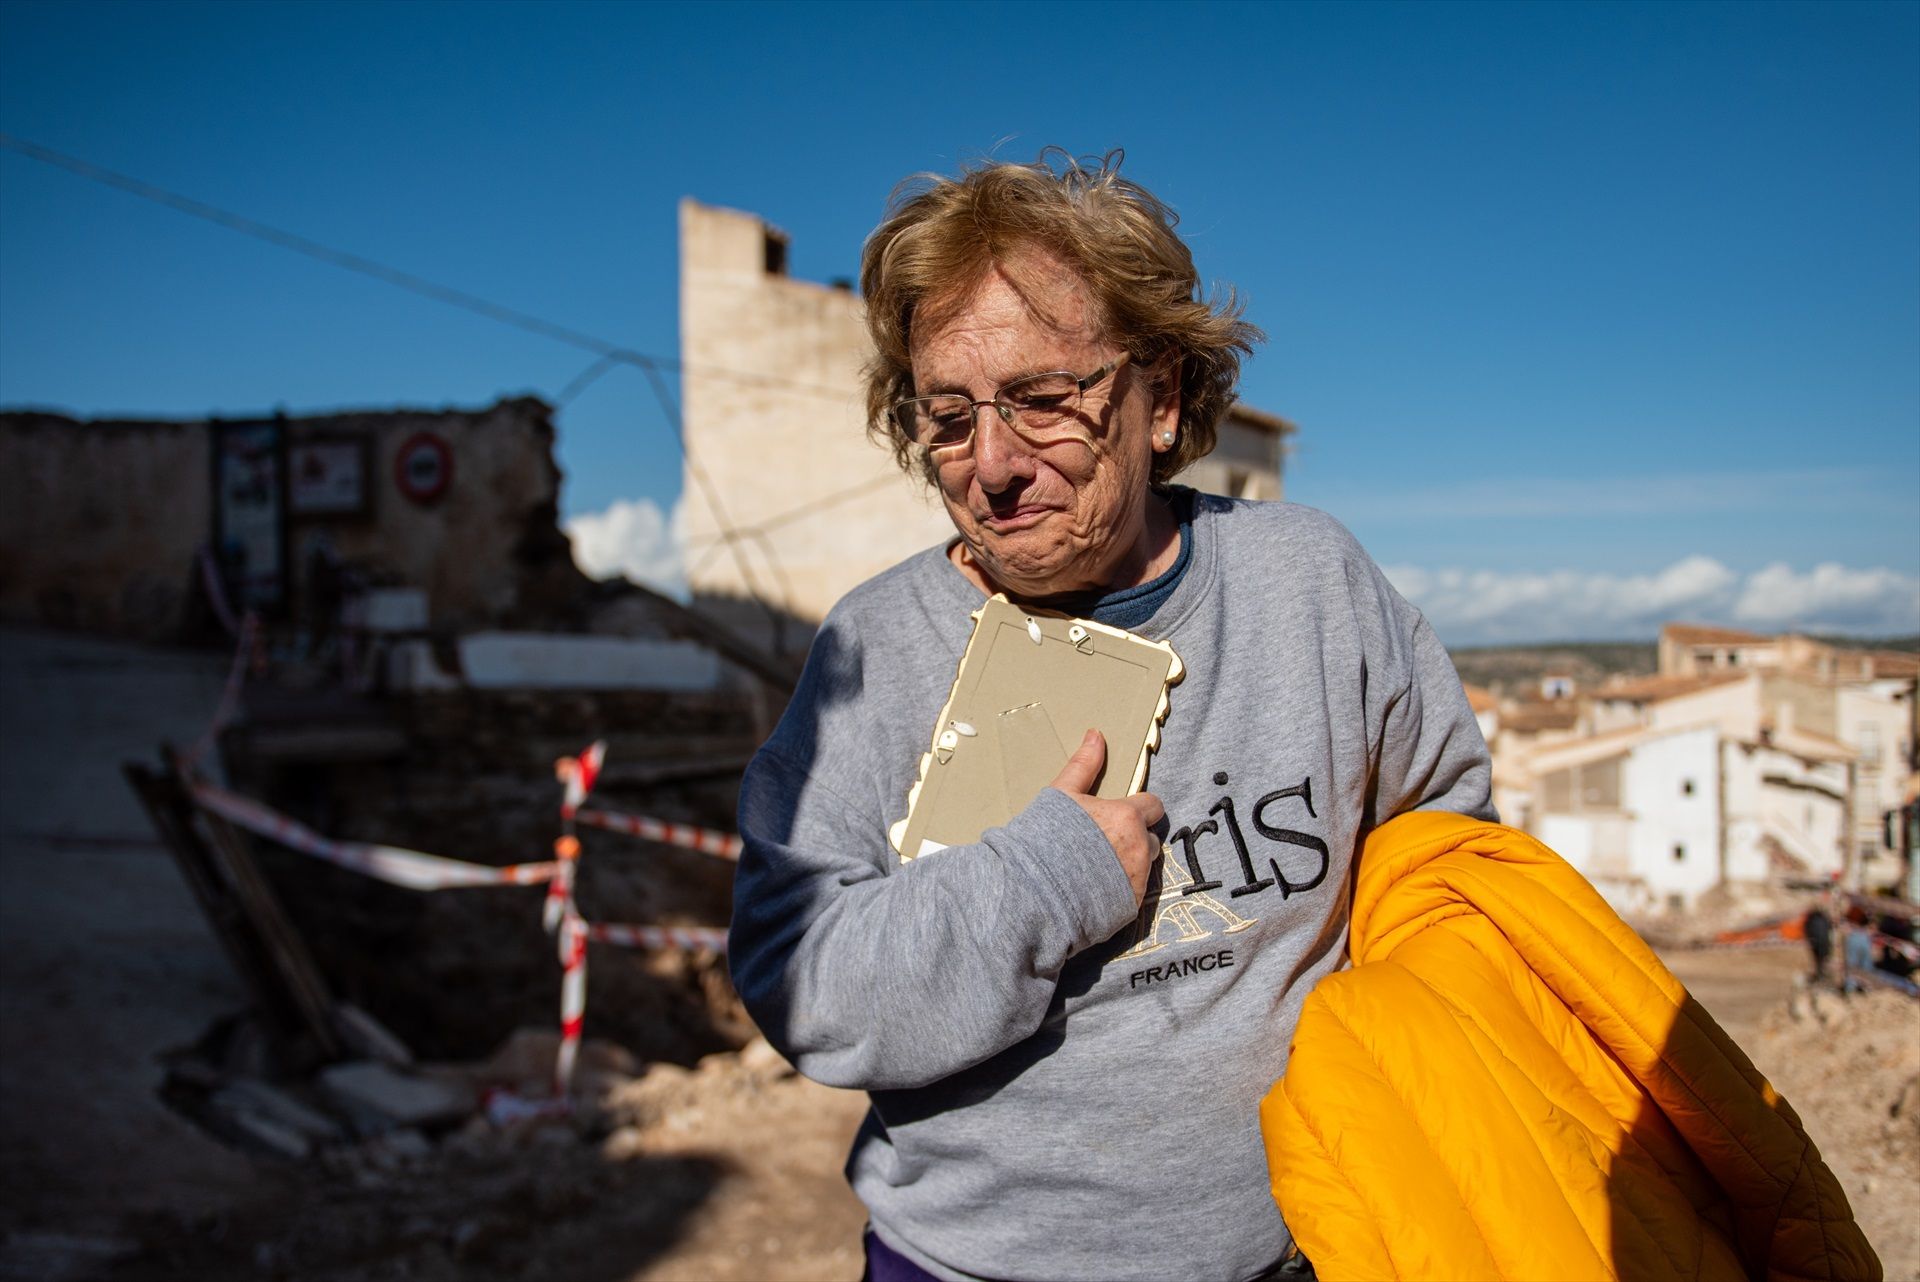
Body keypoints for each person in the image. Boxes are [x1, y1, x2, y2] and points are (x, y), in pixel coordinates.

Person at [728, 150, 1495, 1282]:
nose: (992, 465)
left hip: (1311, 1252)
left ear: (1164, 396)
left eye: (1043, 400)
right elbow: (803, 983)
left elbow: (1449, 860)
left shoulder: (1311, 584)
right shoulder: (876, 649)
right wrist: (1043, 882)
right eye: (949, 416)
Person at [1803, 898, 1834, 985]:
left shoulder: (1811, 919)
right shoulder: (1823, 918)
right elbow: (1830, 928)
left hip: (1818, 942)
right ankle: (1822, 975)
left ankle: (1821, 975)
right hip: (1823, 942)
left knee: (1819, 960)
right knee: (1822, 960)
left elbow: (1807, 930)